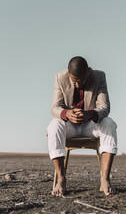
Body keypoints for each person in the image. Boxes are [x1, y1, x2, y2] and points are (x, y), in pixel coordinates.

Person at [47, 56, 117, 197]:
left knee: (109, 123)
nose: (77, 85)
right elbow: (54, 108)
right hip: (70, 126)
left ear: (88, 72)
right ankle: (61, 179)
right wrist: (67, 114)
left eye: (80, 80)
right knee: (54, 125)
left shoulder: (99, 76)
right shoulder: (60, 78)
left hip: (90, 125)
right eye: (74, 81)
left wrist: (89, 114)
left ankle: (105, 179)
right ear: (68, 73)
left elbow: (104, 107)